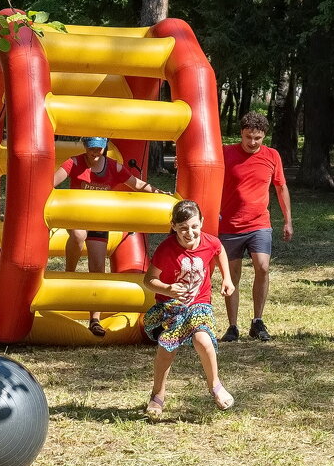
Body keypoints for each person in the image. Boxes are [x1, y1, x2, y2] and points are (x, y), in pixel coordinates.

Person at [53, 136, 165, 336]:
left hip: (99, 221)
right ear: (85, 147)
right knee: (78, 235)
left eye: (99, 149)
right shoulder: (75, 162)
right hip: (75, 217)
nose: (95, 153)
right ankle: (69, 275)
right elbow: (52, 181)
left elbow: (137, 184)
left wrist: (159, 193)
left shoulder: (114, 167)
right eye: (91, 149)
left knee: (97, 268)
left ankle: (94, 319)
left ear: (104, 148)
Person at [142, 199, 235, 420]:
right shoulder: (166, 249)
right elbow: (148, 280)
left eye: (194, 226)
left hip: (199, 304)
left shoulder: (209, 242)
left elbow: (219, 249)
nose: (190, 233)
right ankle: (158, 395)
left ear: (201, 222)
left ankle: (216, 386)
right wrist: (168, 288)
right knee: (167, 348)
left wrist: (227, 279)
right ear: (173, 226)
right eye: (183, 228)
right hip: (171, 307)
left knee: (203, 340)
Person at [218, 111, 293, 343]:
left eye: (257, 138)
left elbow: (281, 188)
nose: (252, 142)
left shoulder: (272, 156)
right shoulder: (225, 152)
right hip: (229, 225)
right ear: (241, 133)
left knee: (263, 267)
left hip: (259, 223)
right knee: (233, 275)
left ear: (264, 137)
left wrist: (288, 220)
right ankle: (232, 326)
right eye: (248, 137)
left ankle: (257, 321)